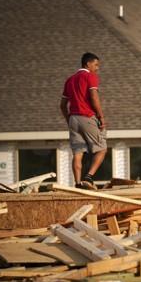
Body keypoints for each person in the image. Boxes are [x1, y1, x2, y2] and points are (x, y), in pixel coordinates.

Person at [60, 52, 107, 190]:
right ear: (88, 64)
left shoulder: (70, 80)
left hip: (73, 118)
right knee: (102, 148)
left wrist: (69, 119)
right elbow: (94, 97)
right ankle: (89, 177)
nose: (97, 68)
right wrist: (101, 116)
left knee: (78, 152)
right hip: (86, 116)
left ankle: (78, 183)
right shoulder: (90, 76)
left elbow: (62, 105)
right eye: (96, 64)